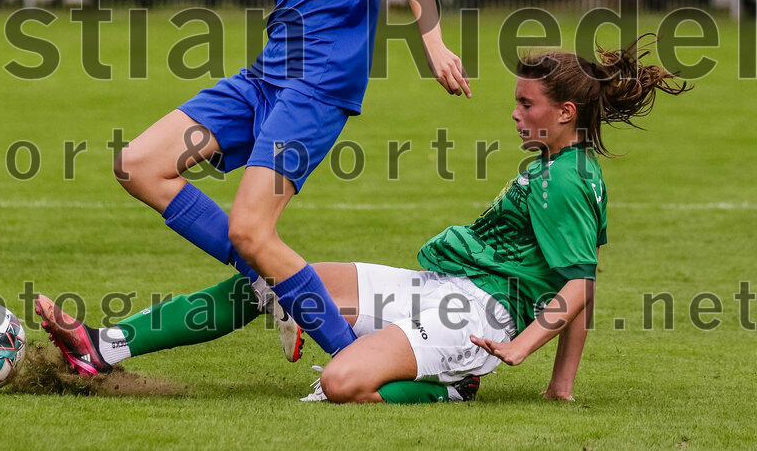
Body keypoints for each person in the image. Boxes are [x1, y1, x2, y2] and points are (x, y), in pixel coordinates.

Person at [58, 0, 469, 358]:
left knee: (252, 229)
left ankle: (354, 366)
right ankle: (272, 282)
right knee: (139, 165)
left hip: (317, 90)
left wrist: (432, 41)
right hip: (263, 80)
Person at [35, 37, 689, 403]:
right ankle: (107, 346)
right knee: (277, 276)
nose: (515, 112)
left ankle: (446, 388)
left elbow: (576, 286)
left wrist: (519, 350)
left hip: (479, 317)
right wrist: (561, 388)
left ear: (566, 113)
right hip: (440, 288)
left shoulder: (564, 179)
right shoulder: (565, 167)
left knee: (341, 384)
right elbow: (584, 279)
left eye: (526, 102)